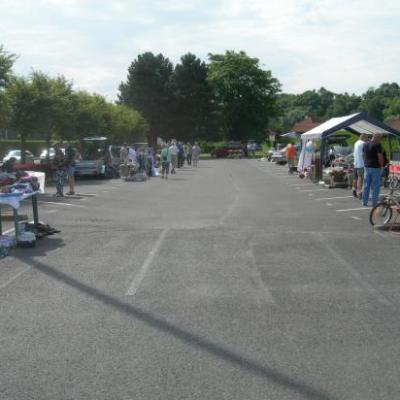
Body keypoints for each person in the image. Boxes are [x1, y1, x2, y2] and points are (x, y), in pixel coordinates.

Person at [362, 134, 384, 207]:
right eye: (380, 138)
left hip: (366, 166)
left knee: (366, 185)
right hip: (375, 167)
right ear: (376, 138)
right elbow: (380, 156)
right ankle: (374, 203)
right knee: (375, 186)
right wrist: (381, 166)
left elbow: (363, 154)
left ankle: (364, 202)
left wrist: (365, 162)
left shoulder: (365, 144)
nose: (380, 140)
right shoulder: (377, 145)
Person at [352, 133, 367, 198]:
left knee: (355, 178)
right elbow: (363, 154)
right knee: (360, 178)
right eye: (366, 137)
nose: (367, 139)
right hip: (361, 163)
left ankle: (354, 190)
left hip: (356, 163)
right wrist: (366, 161)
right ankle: (359, 192)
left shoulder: (356, 143)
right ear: (363, 137)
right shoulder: (363, 143)